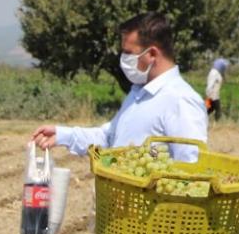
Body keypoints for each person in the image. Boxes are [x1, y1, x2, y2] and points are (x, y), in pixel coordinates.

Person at [29, 12, 208, 162]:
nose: (123, 59)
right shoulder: (138, 93)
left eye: (129, 53)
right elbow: (108, 139)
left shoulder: (180, 100)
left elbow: (191, 167)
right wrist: (62, 135)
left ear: (152, 53)